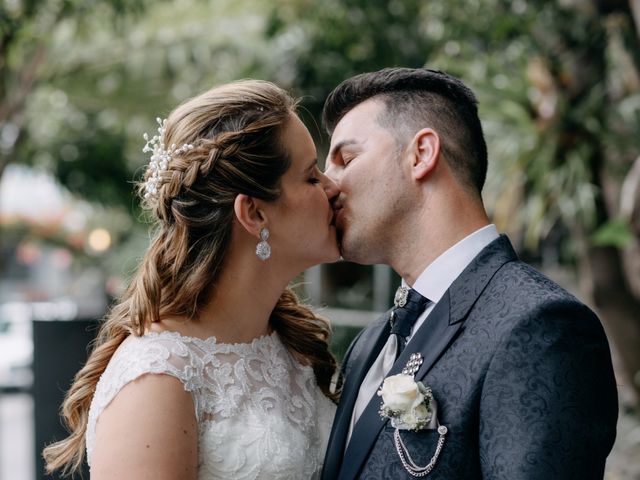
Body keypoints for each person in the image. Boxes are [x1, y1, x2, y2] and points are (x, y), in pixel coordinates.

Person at [320, 67, 618, 479]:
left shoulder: (540, 327)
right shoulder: (370, 343)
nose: (327, 185)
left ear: (421, 153)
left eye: (346, 159)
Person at [42, 79, 340, 479]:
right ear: (254, 213)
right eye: (310, 176)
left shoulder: (291, 344)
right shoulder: (158, 377)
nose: (331, 186)